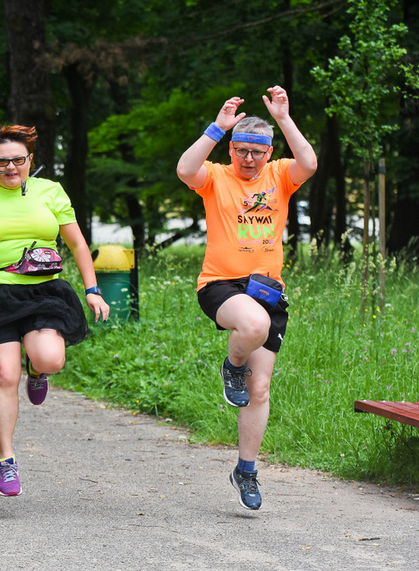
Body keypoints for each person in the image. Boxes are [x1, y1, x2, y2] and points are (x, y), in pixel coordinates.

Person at [176, 86, 317, 510]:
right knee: (252, 326)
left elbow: (309, 162)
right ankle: (231, 365)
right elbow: (185, 168)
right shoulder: (216, 176)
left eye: (257, 151)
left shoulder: (281, 176)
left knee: (260, 389)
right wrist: (217, 129)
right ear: (232, 149)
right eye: (241, 150)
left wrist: (284, 119)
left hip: (266, 288)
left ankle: (246, 470)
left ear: (269, 152)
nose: (249, 159)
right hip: (221, 284)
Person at [0, 124, 110, 497]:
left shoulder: (50, 191)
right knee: (4, 374)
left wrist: (93, 289)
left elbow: (78, 243)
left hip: (44, 291)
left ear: (30, 160)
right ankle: (7, 460)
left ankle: (37, 370)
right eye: (2, 161)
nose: (10, 168)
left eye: (18, 160)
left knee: (51, 359)